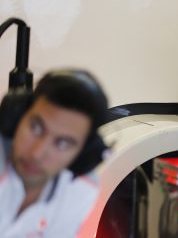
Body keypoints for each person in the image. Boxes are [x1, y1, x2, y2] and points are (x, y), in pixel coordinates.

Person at [0, 69, 109, 237]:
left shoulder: (80, 188)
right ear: (17, 117)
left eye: (63, 143)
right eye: (35, 128)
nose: (37, 154)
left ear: (83, 154)